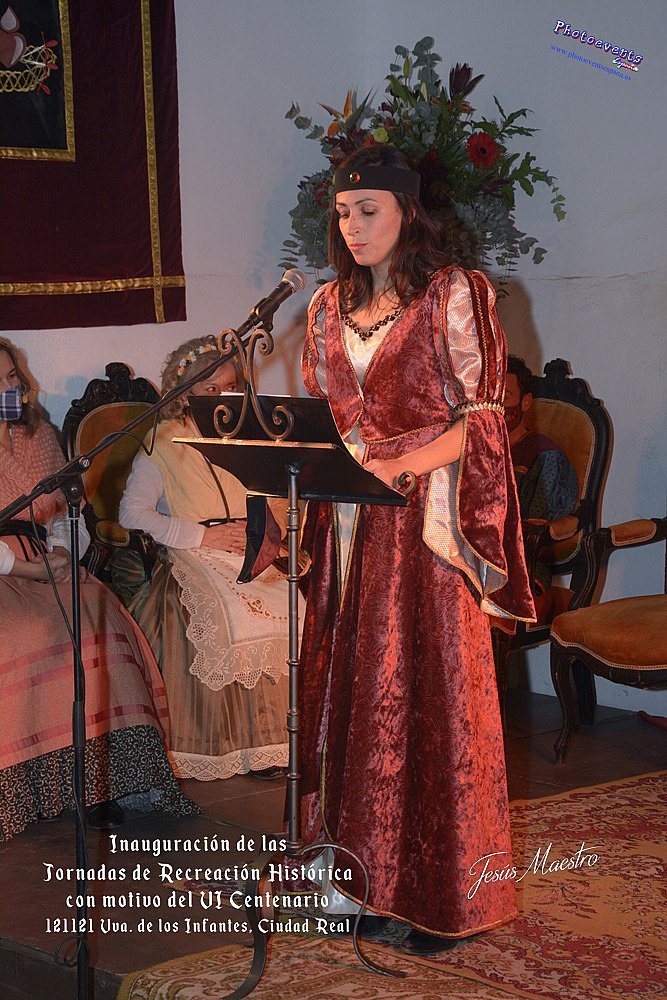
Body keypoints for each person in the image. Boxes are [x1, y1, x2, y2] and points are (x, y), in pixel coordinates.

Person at [296, 145, 535, 955]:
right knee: (355, 700)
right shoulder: (324, 306)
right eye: (342, 213)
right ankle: (359, 881)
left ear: (407, 211)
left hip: (424, 524)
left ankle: (441, 894)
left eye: (368, 210)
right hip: (347, 523)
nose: (352, 226)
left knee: (428, 702)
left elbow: (485, 418)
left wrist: (401, 464)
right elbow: (327, 416)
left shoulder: (452, 293)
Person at [0, 338, 195, 841]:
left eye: (11, 378)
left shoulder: (38, 435)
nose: (8, 389)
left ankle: (102, 781)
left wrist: (63, 552)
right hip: (6, 572)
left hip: (46, 561)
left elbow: (70, 512)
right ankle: (37, 787)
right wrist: (27, 571)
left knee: (96, 615)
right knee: (29, 632)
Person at [119, 336, 297, 781]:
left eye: (232, 387)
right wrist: (203, 535)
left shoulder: (249, 435)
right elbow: (132, 513)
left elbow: (277, 497)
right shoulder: (162, 443)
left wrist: (264, 533)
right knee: (226, 612)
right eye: (211, 389)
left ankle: (278, 742)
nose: (224, 397)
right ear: (185, 393)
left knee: (289, 608)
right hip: (194, 551)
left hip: (250, 548)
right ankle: (235, 744)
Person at [505, 355, 578, 617]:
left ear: (525, 402)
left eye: (505, 397)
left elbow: (536, 528)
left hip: (522, 568)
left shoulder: (545, 455)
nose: (495, 406)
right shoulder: (471, 451)